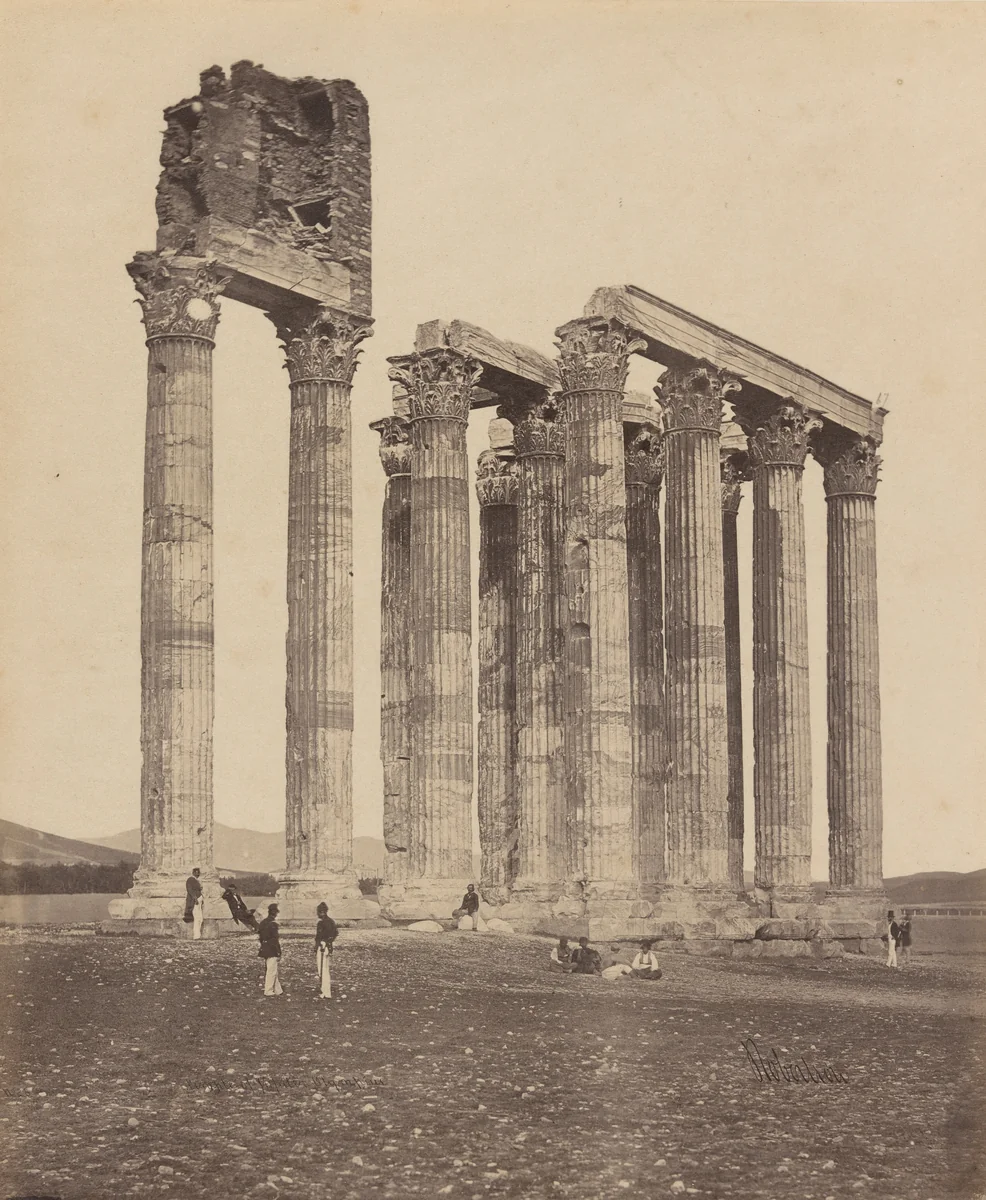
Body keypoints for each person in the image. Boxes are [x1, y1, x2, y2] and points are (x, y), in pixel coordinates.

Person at [314, 902, 339, 1000]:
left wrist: (317, 946)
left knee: (322, 969)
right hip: (328, 946)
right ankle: (325, 990)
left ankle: (325, 991)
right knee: (325, 968)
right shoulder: (331, 921)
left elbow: (318, 937)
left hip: (322, 946)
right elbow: (336, 933)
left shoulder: (321, 923)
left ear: (322, 912)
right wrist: (330, 942)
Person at [258, 904, 283, 996]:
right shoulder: (273, 924)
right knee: (271, 970)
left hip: (264, 947)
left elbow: (260, 937)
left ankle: (277, 989)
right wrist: (278, 952)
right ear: (275, 913)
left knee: (272, 969)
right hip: (272, 949)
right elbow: (275, 940)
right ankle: (268, 990)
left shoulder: (263, 922)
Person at [184, 868, 204, 940]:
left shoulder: (196, 880)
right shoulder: (190, 879)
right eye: (196, 873)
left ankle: (198, 935)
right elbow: (189, 889)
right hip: (194, 901)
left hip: (199, 899)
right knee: (197, 918)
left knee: (200, 918)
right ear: (193, 873)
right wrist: (194, 898)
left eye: (198, 873)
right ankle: (196, 936)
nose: (198, 874)